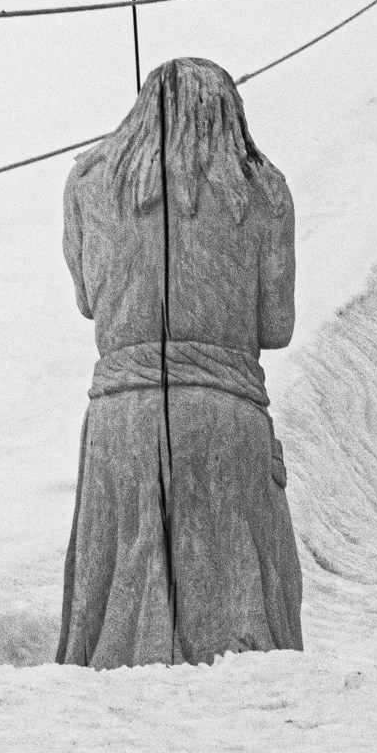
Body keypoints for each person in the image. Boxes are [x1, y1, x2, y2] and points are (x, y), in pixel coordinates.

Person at [56, 57, 302, 668]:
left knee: (117, 613)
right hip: (225, 415)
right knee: (240, 625)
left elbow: (88, 302)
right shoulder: (263, 190)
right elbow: (276, 327)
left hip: (121, 419)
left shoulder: (88, 180)